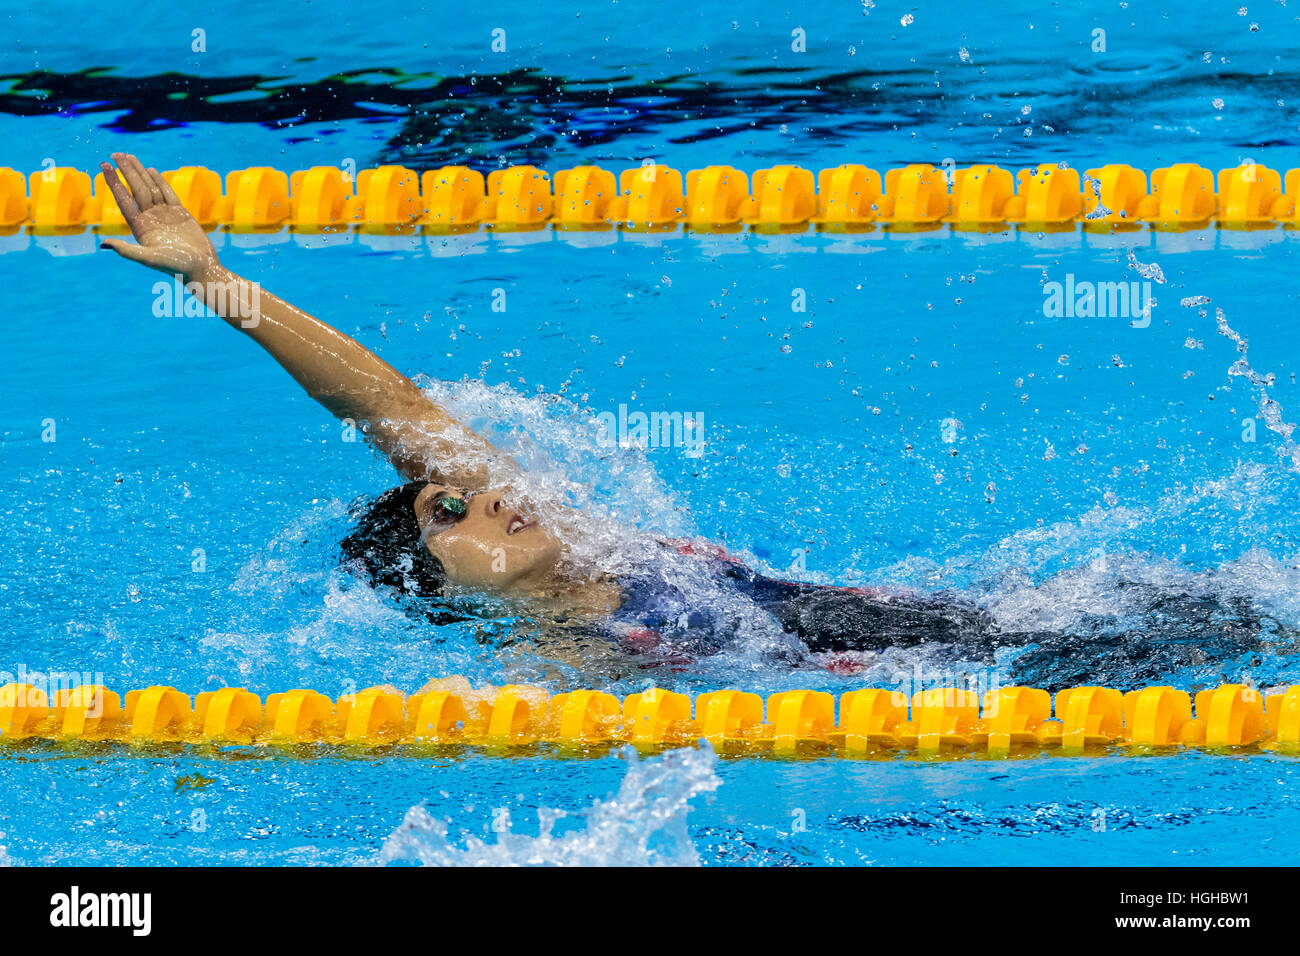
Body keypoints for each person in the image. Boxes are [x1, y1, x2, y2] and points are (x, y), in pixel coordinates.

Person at [97, 153, 1268, 683]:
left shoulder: (594, 536)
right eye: (448, 511)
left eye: (456, 484)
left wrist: (215, 282)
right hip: (996, 689)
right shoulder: (560, 661)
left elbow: (385, 402)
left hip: (998, 622)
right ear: (447, 585)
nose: (483, 488)